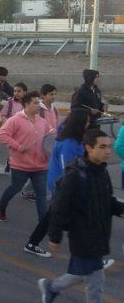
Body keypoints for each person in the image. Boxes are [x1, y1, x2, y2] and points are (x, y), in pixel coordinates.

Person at [39, 129, 124, 303]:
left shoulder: (101, 171)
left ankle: (52, 287)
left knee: (83, 272)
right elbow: (59, 207)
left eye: (109, 146)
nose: (108, 151)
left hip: (98, 234)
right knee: (96, 280)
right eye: (102, 147)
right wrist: (54, 236)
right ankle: (52, 287)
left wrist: (120, 209)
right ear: (89, 148)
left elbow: (106, 200)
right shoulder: (75, 175)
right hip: (82, 236)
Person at [24, 108, 89, 258]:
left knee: (53, 216)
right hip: (64, 185)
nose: (88, 123)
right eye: (86, 121)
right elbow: (67, 167)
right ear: (79, 123)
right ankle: (88, 255)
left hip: (64, 185)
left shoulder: (73, 138)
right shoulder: (69, 143)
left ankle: (33, 243)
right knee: (77, 219)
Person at [0, 91, 55, 223]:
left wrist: (56, 136)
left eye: (39, 102)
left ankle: (43, 223)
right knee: (15, 188)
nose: (39, 105)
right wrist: (19, 147)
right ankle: (0, 206)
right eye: (36, 103)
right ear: (26, 104)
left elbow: (50, 134)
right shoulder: (15, 120)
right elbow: (1, 135)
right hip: (20, 165)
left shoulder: (42, 121)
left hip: (40, 165)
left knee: (41, 195)